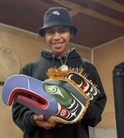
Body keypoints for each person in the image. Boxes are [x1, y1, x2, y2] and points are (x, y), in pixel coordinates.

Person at [12, 7, 107, 138]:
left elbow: (96, 115)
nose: (56, 37)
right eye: (50, 32)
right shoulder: (30, 69)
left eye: (62, 31)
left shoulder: (87, 68)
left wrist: (80, 105)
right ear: (45, 35)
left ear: (71, 33)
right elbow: (18, 112)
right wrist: (33, 119)